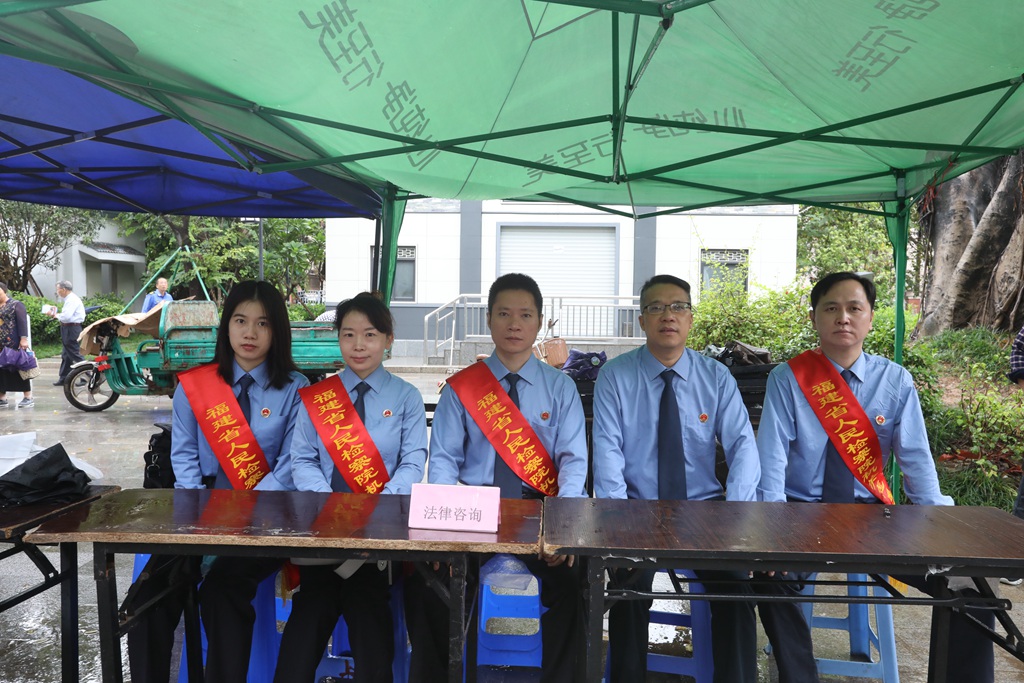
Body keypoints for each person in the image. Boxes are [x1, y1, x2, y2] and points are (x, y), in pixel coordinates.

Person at [755, 271, 995, 683]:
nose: (843, 317)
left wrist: (942, 527)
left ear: (869, 318)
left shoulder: (895, 379)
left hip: (872, 516)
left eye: (854, 308)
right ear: (814, 318)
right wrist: (770, 529)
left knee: (969, 584)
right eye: (831, 308)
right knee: (769, 577)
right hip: (800, 513)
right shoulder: (788, 378)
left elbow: (916, 460)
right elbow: (771, 459)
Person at [405, 273, 588, 683]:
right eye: (504, 314)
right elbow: (444, 463)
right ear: (489, 320)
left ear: (539, 322)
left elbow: (574, 463)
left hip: (541, 516)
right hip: (474, 516)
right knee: (430, 583)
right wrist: (443, 533)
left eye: (525, 315)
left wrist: (563, 528)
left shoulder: (561, 388)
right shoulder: (462, 389)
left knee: (576, 580)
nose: (514, 324)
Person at [126, 280, 309, 683]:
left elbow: (293, 464)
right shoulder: (195, 386)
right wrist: (200, 517)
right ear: (226, 326)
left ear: (277, 330)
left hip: (266, 520)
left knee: (223, 592)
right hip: (199, 514)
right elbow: (184, 458)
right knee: (147, 602)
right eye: (240, 321)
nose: (250, 332)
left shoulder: (296, 388)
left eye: (263, 323)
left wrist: (246, 510)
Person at [592, 274, 761, 683]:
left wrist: (736, 514)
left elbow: (743, 446)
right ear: (642, 320)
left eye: (678, 307)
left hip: (706, 512)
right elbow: (608, 454)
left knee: (737, 589)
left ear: (690, 318)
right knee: (627, 588)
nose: (668, 315)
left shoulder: (716, 377)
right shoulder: (615, 376)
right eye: (656, 308)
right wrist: (618, 522)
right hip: (637, 511)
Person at [274, 292, 426, 683]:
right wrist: (331, 509)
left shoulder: (406, 398)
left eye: (370, 334)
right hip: (323, 537)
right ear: (338, 338)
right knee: (305, 624)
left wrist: (379, 508)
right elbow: (302, 460)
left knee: (370, 620)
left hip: (378, 542)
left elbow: (413, 463)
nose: (359, 345)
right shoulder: (317, 398)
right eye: (348, 334)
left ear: (388, 339)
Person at [0, 282, 33, 408]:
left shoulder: (16, 305)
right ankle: (2, 398)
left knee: (19, 368)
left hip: (13, 343)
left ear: (4, 291)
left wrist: (23, 339)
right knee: (1, 370)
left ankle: (28, 397)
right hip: (1, 345)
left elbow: (22, 322)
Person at [47, 279, 84, 385]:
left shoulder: (71, 300)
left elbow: (66, 317)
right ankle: (64, 377)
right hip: (69, 327)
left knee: (74, 353)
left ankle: (87, 376)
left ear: (63, 289)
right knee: (66, 354)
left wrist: (55, 315)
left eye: (58, 289)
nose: (57, 292)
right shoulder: (70, 299)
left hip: (71, 328)